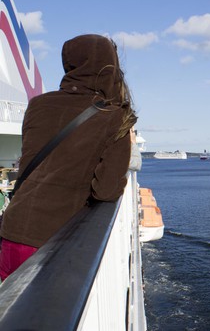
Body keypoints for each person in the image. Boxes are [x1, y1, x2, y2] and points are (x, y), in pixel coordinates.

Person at [0, 34, 137, 281]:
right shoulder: (113, 115)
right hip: (52, 242)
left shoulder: (38, 104)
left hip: (12, 231)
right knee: (41, 318)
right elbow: (106, 191)